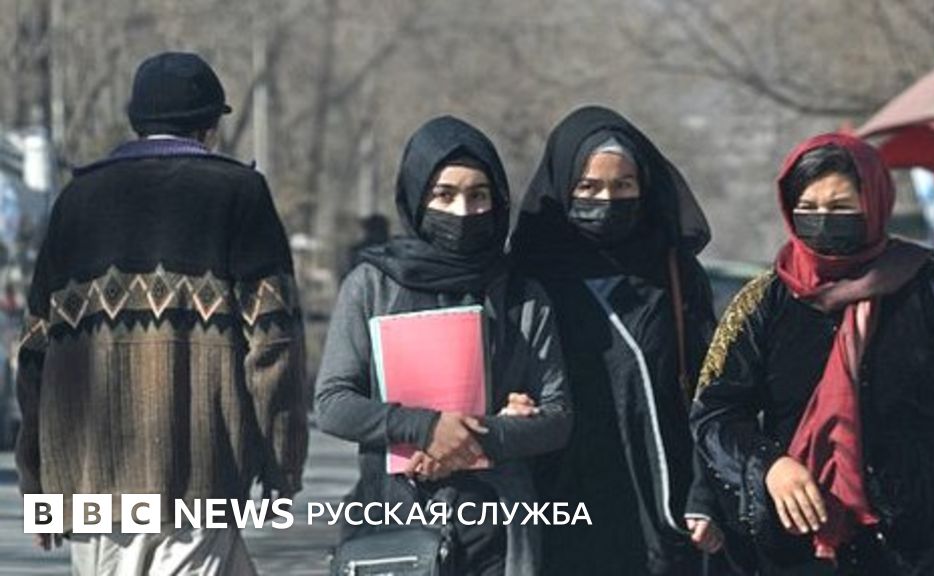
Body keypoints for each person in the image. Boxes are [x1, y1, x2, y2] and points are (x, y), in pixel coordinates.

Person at [16, 51, 308, 575]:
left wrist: (40, 488)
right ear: (210, 127)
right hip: (198, 478)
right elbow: (273, 343)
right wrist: (281, 464)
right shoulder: (238, 193)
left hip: (91, 486)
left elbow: (35, 350)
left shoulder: (76, 200)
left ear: (137, 120)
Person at [690, 132, 934, 575]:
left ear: (875, 202)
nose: (823, 220)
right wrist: (769, 467)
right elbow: (715, 413)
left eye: (841, 207)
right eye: (808, 208)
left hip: (919, 541)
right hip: (799, 542)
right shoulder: (763, 301)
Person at [315, 115, 572, 576]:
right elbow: (333, 404)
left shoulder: (522, 295)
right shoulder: (373, 286)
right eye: (444, 195)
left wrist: (473, 439)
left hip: (498, 531)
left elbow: (557, 419)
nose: (463, 210)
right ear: (417, 199)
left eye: (478, 195)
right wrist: (424, 428)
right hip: (392, 524)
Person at [508, 105, 725, 575]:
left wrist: (705, 494)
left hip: (661, 502)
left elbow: (711, 392)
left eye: (623, 186)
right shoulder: (527, 279)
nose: (607, 200)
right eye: (588, 187)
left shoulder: (674, 274)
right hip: (561, 501)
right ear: (563, 189)